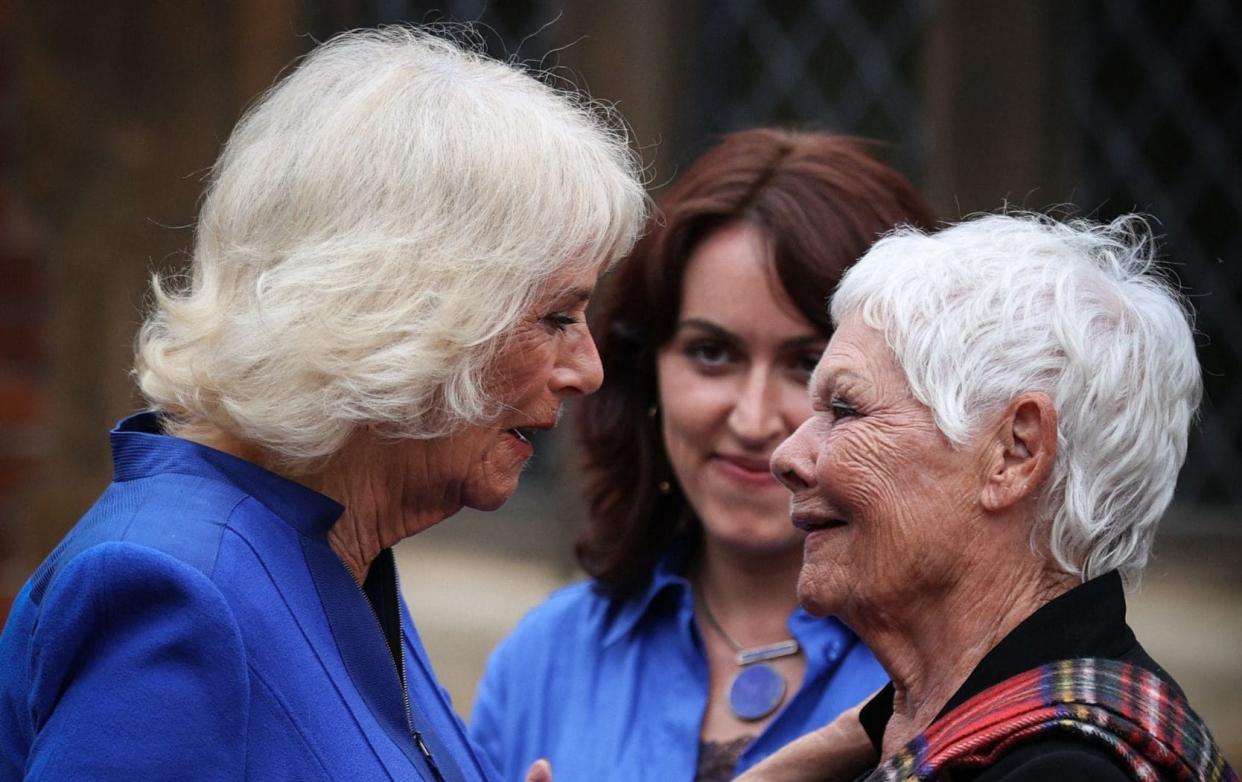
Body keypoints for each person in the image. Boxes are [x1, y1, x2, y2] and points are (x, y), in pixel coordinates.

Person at [0, 26, 646, 781]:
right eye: (558, 317)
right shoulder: (173, 592)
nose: (589, 370)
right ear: (410, 311)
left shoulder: (331, 552)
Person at [470, 129, 937, 781]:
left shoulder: (951, 671)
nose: (751, 419)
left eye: (809, 365)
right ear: (646, 373)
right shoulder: (547, 659)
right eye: (711, 354)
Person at [760, 213, 1236, 781]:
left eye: (845, 410)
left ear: (1014, 453)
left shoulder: (1065, 772)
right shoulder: (916, 732)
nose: (787, 456)